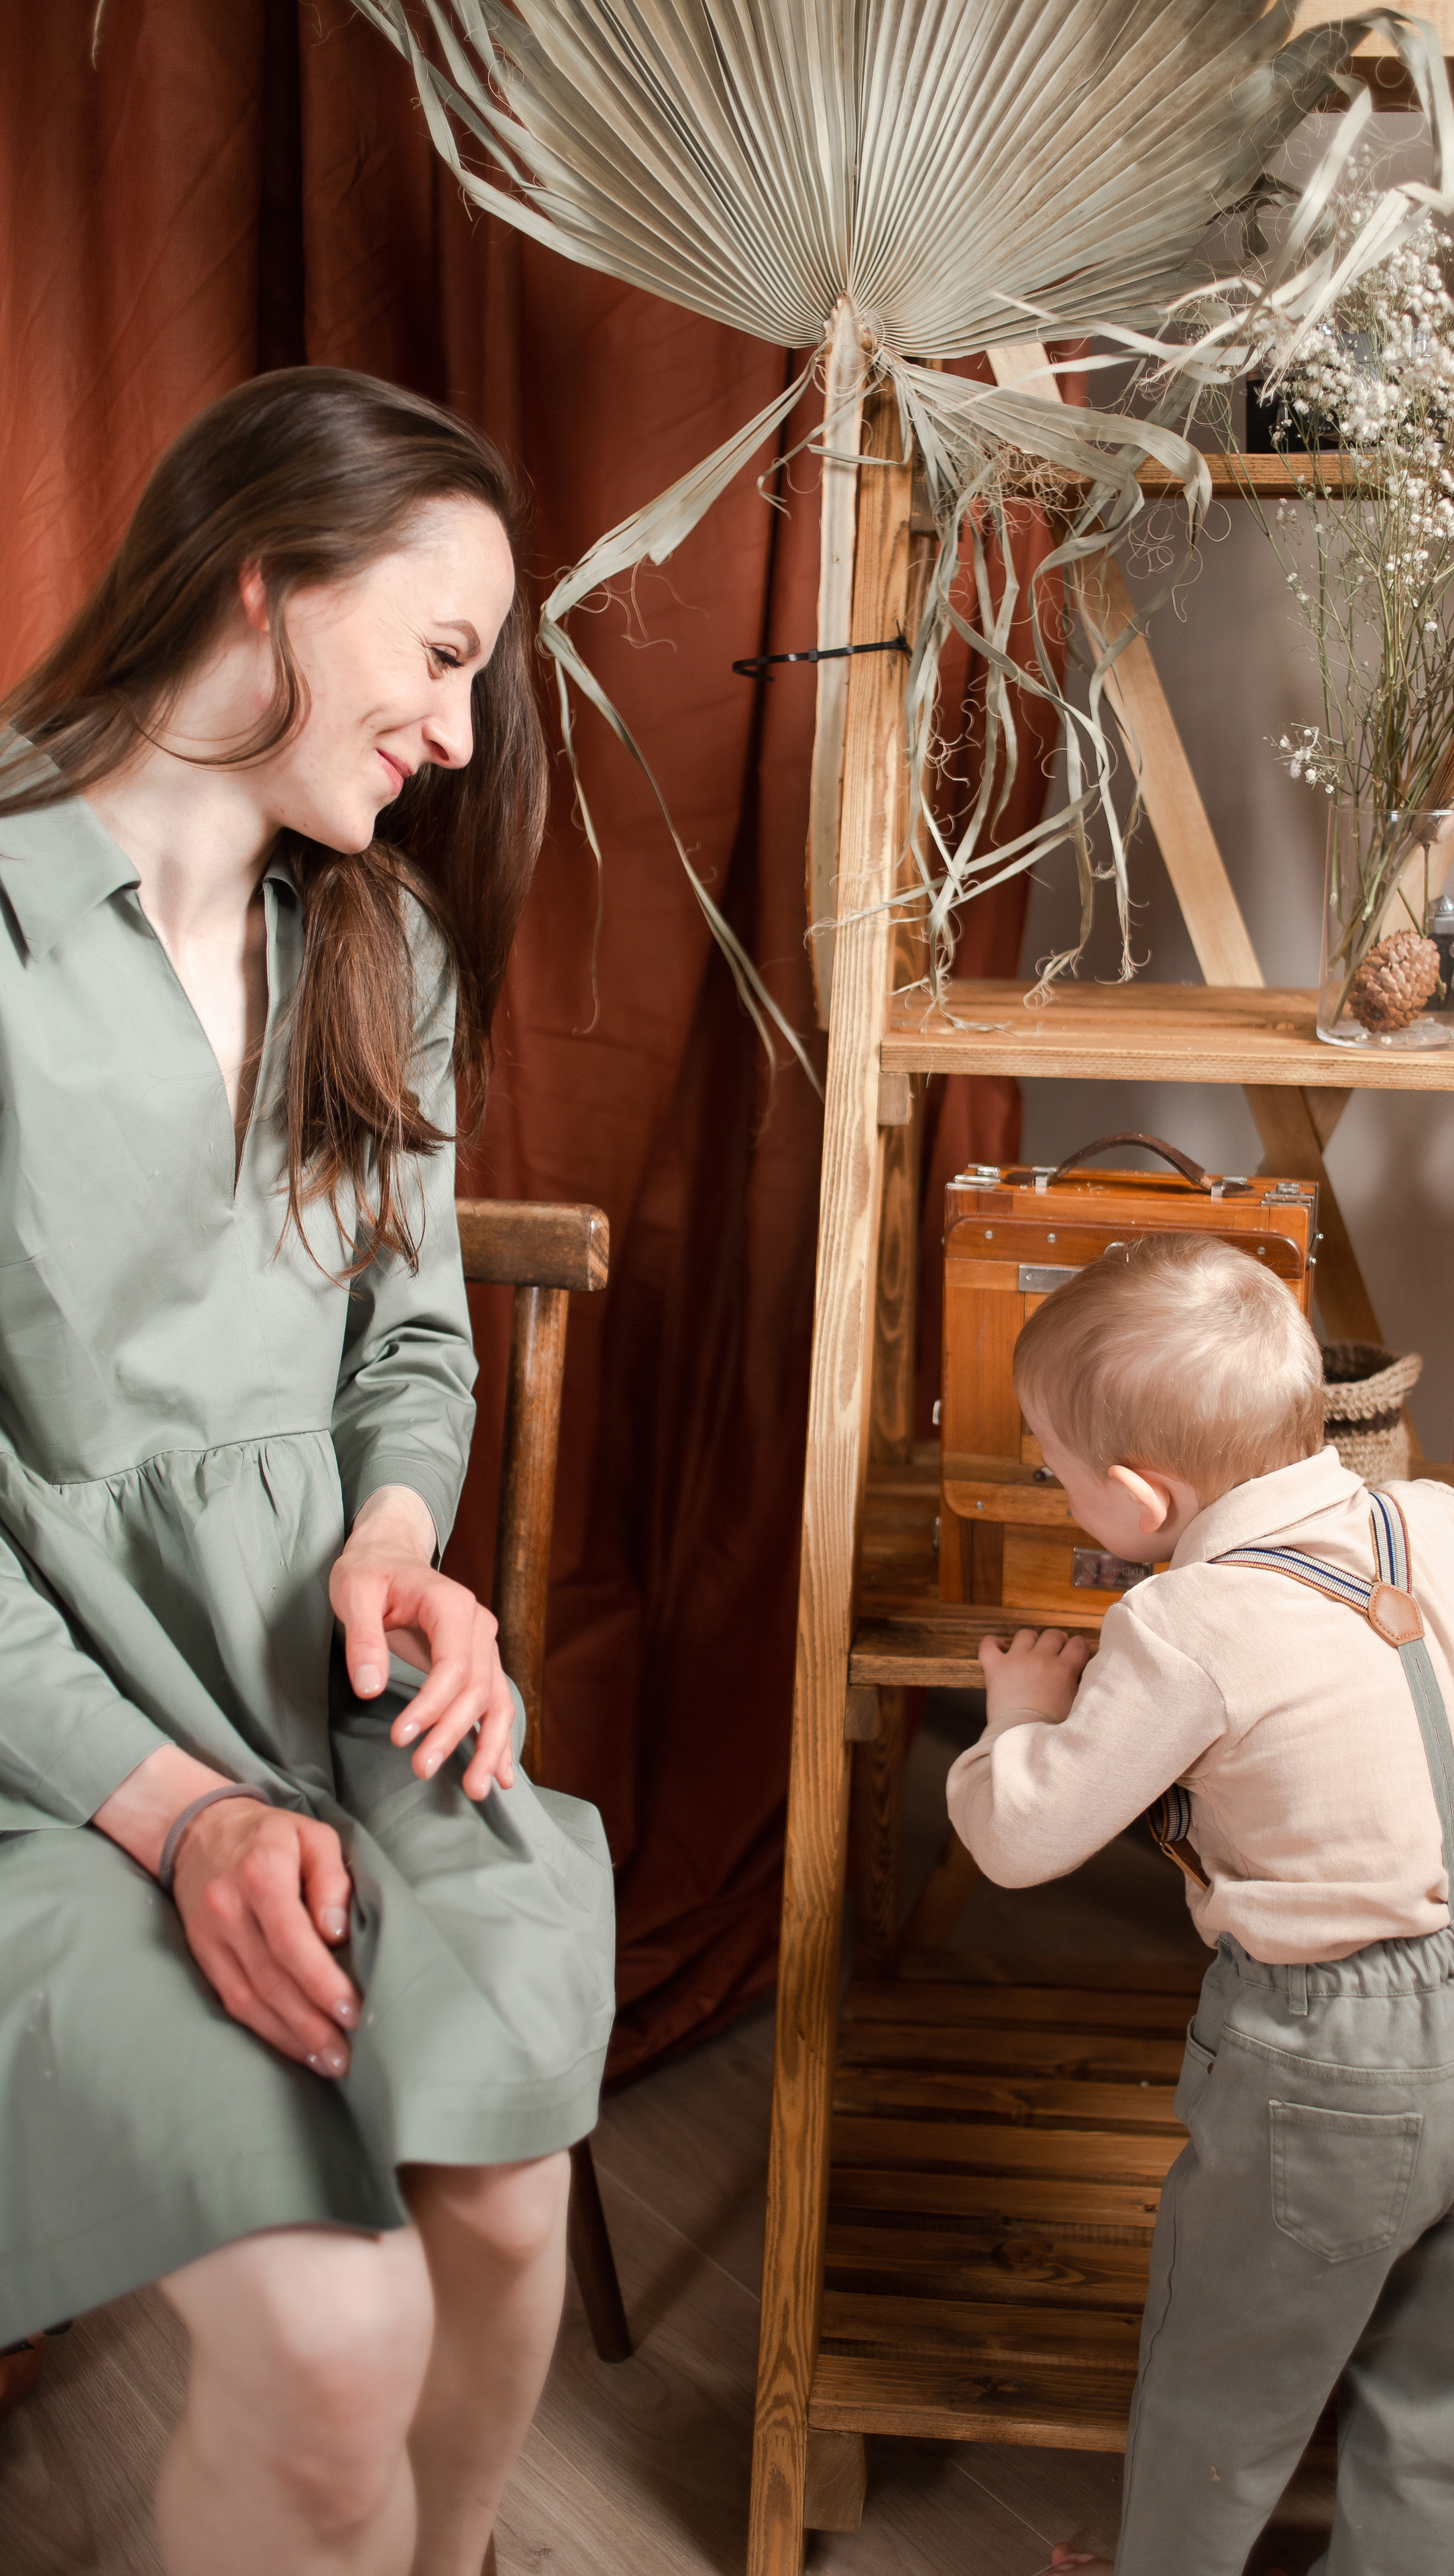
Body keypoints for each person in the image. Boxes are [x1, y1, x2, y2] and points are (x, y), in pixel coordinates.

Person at [0, 369, 616, 2576]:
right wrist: (178, 1820)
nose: (461, 731)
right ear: (266, 583)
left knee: (509, 2189)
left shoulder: (382, 945)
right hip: (42, 1751)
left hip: (321, 1691)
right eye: (441, 654)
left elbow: (416, 1336)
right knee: (339, 2341)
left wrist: (396, 1539)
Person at [946, 1234, 1454, 2576]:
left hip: (1335, 2064)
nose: (1052, 1490)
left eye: (1051, 1470)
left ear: (1132, 1498)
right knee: (1441, 2384)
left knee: (1223, 2387)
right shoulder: (1437, 1521)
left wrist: (1014, 1718)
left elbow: (1020, 1839)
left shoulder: (1181, 1629)